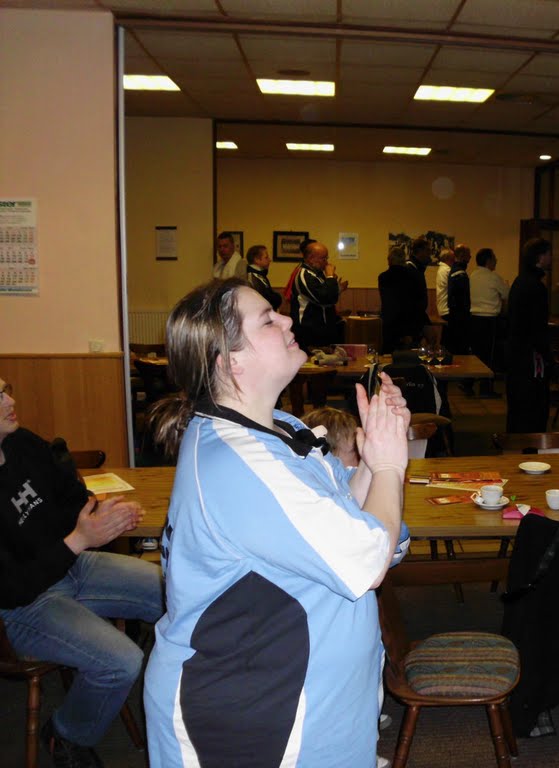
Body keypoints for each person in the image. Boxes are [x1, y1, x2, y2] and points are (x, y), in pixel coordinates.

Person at [144, 278, 411, 768]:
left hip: (304, 698)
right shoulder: (236, 464)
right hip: (256, 718)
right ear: (230, 361)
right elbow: (367, 559)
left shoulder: (282, 428)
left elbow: (345, 518)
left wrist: (374, 459)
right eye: (268, 319)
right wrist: (393, 466)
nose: (287, 319)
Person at [0, 377, 163, 768]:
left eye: (6, 389)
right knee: (121, 661)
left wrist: (99, 514)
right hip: (21, 607)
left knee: (178, 592)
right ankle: (65, 734)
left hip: (70, 566)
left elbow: (69, 496)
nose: (9, 400)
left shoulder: (21, 443)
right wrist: (79, 539)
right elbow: (11, 588)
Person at [506, 238, 552, 433]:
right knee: (533, 404)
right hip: (530, 355)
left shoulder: (520, 281)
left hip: (517, 352)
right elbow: (536, 326)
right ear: (540, 257)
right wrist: (547, 355)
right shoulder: (535, 286)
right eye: (549, 254)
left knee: (518, 403)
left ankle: (516, 440)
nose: (551, 258)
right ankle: (532, 441)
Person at [291, 240, 347, 352]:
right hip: (309, 333)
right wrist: (330, 277)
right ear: (311, 259)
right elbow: (324, 298)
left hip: (322, 332)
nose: (327, 262)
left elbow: (330, 298)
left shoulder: (317, 275)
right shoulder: (304, 275)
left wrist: (337, 289)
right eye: (323, 258)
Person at [469, 248, 508, 397]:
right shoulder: (493, 277)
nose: (496, 261)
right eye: (494, 258)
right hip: (489, 319)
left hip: (473, 318)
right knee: (489, 356)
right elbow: (506, 294)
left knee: (475, 354)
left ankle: (468, 382)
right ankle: (485, 388)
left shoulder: (472, 275)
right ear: (488, 260)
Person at [379, 246, 424, 354]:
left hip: (390, 323)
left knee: (388, 356)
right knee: (408, 357)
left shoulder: (383, 277)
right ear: (403, 260)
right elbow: (419, 301)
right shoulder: (414, 276)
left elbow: (386, 301)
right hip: (409, 323)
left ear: (389, 260)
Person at [404, 236, 432, 342]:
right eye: (428, 251)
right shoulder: (410, 269)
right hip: (411, 323)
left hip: (417, 320)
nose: (430, 255)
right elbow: (409, 301)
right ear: (420, 251)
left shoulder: (416, 269)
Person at [446, 244, 472, 355]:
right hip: (460, 315)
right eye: (468, 254)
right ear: (462, 255)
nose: (470, 257)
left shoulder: (454, 270)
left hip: (454, 314)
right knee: (460, 348)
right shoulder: (459, 273)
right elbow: (462, 297)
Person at [245, 244, 282, 310]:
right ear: (257, 260)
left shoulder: (260, 275)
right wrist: (277, 297)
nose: (269, 260)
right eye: (266, 257)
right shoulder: (252, 278)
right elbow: (265, 300)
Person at [435, 247, 455, 325]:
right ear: (448, 258)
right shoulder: (447, 270)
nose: (454, 260)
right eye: (453, 257)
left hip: (443, 308)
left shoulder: (442, 269)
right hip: (447, 308)